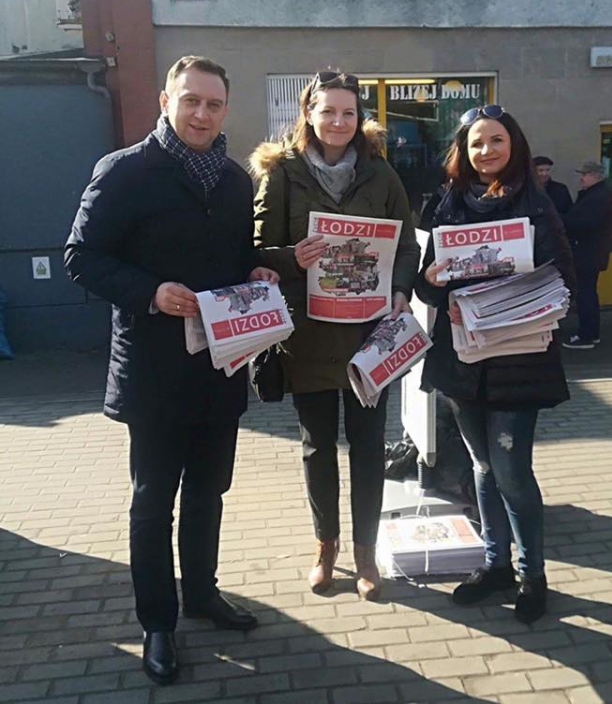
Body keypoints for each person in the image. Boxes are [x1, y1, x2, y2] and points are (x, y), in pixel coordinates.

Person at [65, 56, 276, 685]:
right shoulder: (125, 171)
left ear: (226, 110)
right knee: (153, 501)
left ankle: (202, 595)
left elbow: (238, 255)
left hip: (220, 365)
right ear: (166, 101)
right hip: (154, 371)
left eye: (213, 104)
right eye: (190, 101)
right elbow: (81, 256)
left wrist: (256, 271)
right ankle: (158, 622)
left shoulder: (235, 181)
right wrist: (151, 292)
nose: (201, 114)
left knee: (209, 491)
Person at [250, 71, 419, 602]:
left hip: (370, 334)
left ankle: (366, 552)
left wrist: (401, 290)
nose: (339, 122)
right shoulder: (283, 173)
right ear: (309, 113)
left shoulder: (380, 173)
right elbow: (256, 249)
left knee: (368, 446)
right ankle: (326, 546)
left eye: (349, 112)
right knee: (317, 446)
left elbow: (406, 244)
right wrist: (289, 258)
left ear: (359, 117)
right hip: (308, 334)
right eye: (328, 111)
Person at [416, 105, 575, 624]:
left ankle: (533, 575)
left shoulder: (537, 204)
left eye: (497, 140)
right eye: (477, 143)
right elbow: (426, 285)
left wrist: (514, 296)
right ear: (463, 151)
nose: (486, 151)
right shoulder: (448, 202)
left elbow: (565, 279)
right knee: (482, 467)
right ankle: (495, 564)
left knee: (511, 471)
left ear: (515, 145)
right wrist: (432, 282)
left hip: (516, 359)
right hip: (462, 360)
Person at [561, 160, 612, 350]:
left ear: (595, 176)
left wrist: (562, 220)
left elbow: (585, 224)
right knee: (587, 293)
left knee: (586, 294)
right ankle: (590, 333)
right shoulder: (596, 195)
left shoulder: (598, 197)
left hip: (587, 254)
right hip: (589, 253)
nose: (581, 179)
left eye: (584, 175)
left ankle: (587, 335)